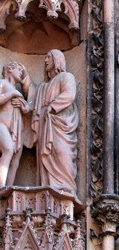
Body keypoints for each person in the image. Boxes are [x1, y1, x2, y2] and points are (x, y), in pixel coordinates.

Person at [31, 50, 79, 192]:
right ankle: (47, 187)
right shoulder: (43, 86)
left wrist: (52, 107)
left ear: (57, 60)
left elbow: (69, 94)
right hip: (46, 124)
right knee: (45, 155)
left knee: (61, 151)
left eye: (48, 57)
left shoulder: (66, 77)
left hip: (61, 122)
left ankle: (66, 186)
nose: (45, 60)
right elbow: (34, 102)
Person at [0, 62, 31, 187]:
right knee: (8, 149)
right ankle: (1, 184)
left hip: (17, 129)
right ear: (10, 69)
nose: (21, 72)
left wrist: (25, 107)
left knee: (15, 161)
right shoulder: (2, 83)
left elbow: (26, 111)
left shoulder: (18, 92)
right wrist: (12, 94)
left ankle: (8, 189)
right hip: (1, 125)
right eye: (18, 69)